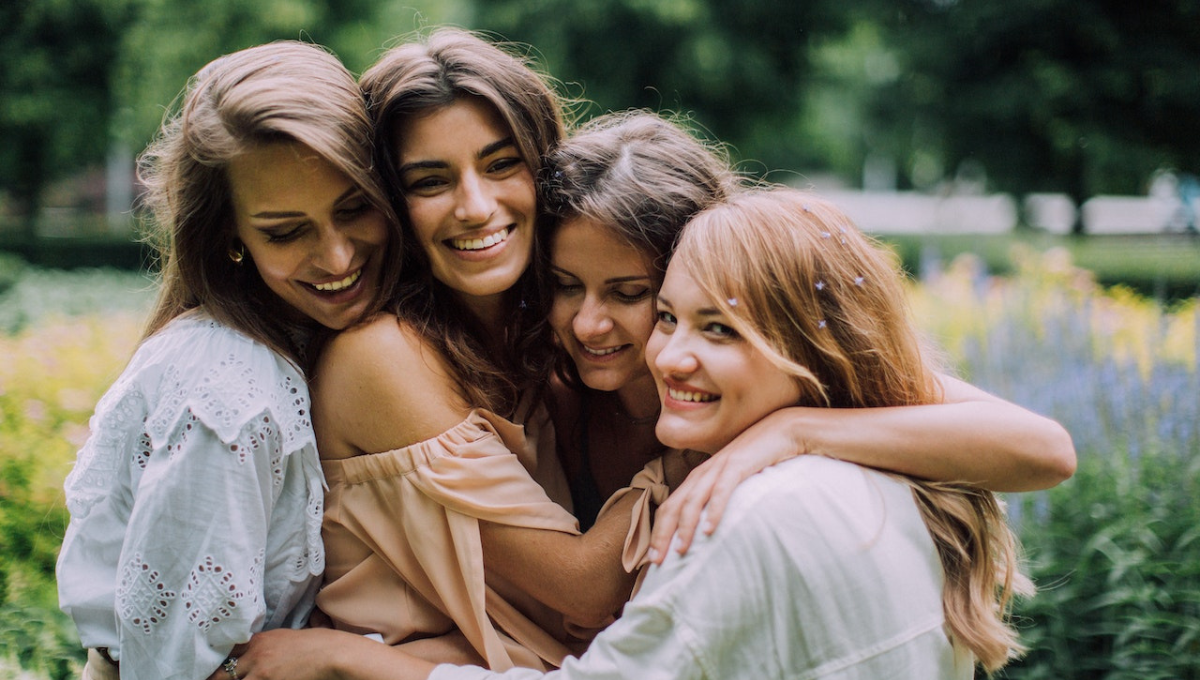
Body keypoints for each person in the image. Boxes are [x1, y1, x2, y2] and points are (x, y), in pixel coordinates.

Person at [206, 188, 1035, 680]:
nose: (666, 352)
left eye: (719, 329)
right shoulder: (890, 466)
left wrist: (356, 662)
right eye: (671, 316)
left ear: (809, 351)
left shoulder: (749, 514)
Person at [538, 111, 1074, 552]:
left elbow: (1045, 450)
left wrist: (795, 429)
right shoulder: (553, 393)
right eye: (565, 285)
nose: (587, 324)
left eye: (630, 294)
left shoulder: (771, 380)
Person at [298, 28, 643, 673]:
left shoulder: (545, 339)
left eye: (501, 164)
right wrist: (704, 452)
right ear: (388, 205)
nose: (477, 207)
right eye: (431, 181)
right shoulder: (380, 356)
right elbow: (583, 590)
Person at [55, 41, 399, 680]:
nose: (338, 256)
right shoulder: (230, 391)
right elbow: (176, 667)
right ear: (228, 237)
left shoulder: (306, 341)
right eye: (285, 231)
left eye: (355, 209)